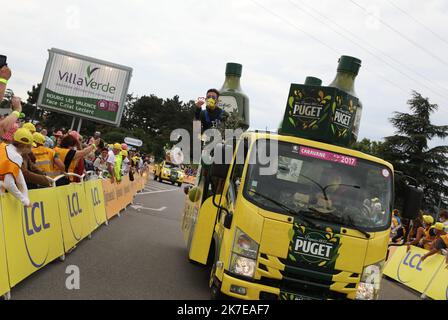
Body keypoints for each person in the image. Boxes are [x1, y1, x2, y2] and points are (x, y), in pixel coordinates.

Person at [0, 128, 34, 206]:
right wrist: (24, 200)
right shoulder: (16, 157)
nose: (32, 148)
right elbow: (8, 183)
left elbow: (19, 176)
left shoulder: (4, 146)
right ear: (25, 145)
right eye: (31, 146)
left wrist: (26, 197)